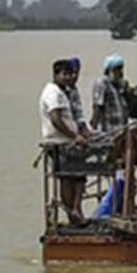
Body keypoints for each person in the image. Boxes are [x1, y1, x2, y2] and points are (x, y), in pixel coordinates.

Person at [41, 58, 89, 225]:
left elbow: (72, 117)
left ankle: (76, 210)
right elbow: (55, 119)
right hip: (61, 143)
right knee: (67, 178)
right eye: (65, 74)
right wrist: (74, 136)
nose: (68, 77)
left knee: (78, 176)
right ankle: (72, 214)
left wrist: (81, 133)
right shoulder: (52, 92)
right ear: (55, 74)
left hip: (71, 142)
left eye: (71, 74)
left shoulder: (65, 92)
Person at [91, 54, 130, 132]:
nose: (120, 72)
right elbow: (97, 107)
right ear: (109, 70)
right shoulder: (102, 83)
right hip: (108, 131)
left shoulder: (120, 84)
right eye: (117, 69)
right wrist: (93, 129)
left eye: (121, 68)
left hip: (121, 129)